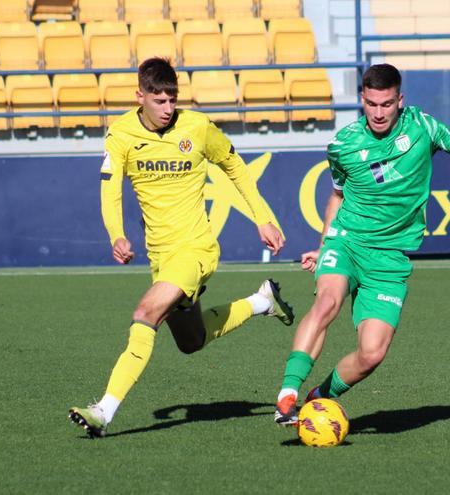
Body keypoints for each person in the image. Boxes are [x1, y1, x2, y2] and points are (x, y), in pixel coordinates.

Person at [69, 58, 295, 438]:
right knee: (192, 342)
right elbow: (110, 189)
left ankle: (103, 411)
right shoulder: (121, 134)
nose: (168, 109)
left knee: (145, 312)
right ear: (139, 96)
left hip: (196, 249)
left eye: (173, 99)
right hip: (161, 257)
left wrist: (263, 217)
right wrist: (116, 234)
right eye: (159, 101)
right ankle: (262, 302)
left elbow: (235, 165)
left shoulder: (197, 127)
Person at [273, 63, 450, 425]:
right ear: (362, 99)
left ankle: (319, 398)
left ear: (400, 101)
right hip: (347, 241)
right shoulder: (343, 144)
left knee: (372, 354)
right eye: (372, 104)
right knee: (327, 302)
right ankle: (287, 396)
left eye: (387, 104)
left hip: (389, 257)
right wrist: (325, 243)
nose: (379, 112)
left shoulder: (425, 127)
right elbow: (337, 197)